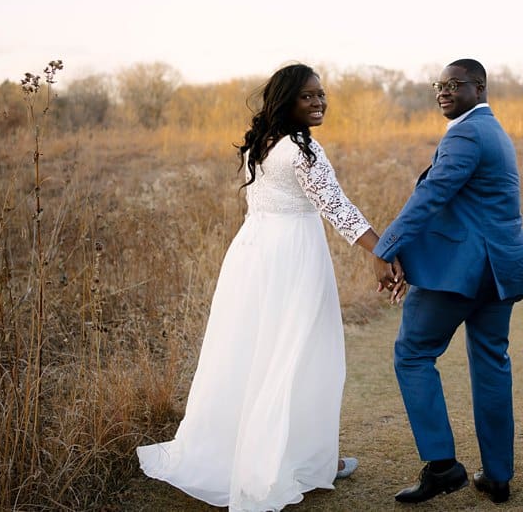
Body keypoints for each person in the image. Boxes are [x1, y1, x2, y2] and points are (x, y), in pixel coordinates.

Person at [137, 63, 405, 511]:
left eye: (321, 94)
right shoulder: (303, 151)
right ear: (286, 100)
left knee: (253, 353)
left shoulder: (262, 144)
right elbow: (336, 207)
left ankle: (288, 456)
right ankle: (296, 462)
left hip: (253, 255)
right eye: (308, 96)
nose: (319, 102)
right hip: (290, 258)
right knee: (300, 355)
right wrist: (380, 252)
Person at [372, 58, 523, 505]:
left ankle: (443, 467)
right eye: (439, 84)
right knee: (491, 364)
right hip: (500, 269)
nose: (443, 91)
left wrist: (384, 247)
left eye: (454, 84)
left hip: (461, 272)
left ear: (480, 87)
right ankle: (498, 476)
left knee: (412, 355)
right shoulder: (493, 131)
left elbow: (432, 195)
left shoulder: (468, 132)